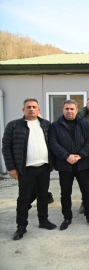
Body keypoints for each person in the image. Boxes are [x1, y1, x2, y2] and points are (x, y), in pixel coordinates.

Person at [2, 98, 57, 240]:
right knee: (24, 198)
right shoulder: (14, 125)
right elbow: (6, 148)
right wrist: (11, 168)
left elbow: (52, 144)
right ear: (23, 109)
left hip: (44, 167)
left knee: (43, 195)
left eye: (34, 107)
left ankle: (43, 221)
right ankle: (21, 226)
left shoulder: (46, 124)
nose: (31, 109)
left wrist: (52, 162)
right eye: (28, 107)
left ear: (39, 110)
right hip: (26, 169)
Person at [49, 99, 89, 230]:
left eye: (72, 109)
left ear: (76, 110)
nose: (69, 111)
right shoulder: (55, 125)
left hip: (83, 164)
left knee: (86, 191)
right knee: (65, 193)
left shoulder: (84, 124)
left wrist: (80, 155)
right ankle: (67, 217)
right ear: (63, 110)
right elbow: (53, 143)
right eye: (67, 109)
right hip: (65, 165)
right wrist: (67, 156)